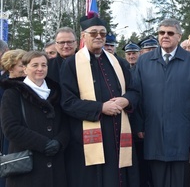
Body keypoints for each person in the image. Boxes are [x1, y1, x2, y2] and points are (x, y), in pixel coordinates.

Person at [60, 12, 139, 187]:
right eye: (93, 33)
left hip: (119, 134)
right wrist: (101, 108)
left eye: (102, 33)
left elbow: (134, 91)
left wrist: (126, 101)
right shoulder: (72, 64)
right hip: (87, 137)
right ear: (83, 36)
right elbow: (68, 102)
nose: (98, 37)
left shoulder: (118, 62)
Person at [132, 18, 190, 187]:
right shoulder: (144, 62)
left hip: (182, 131)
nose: (165, 36)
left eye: (170, 33)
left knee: (179, 178)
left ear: (179, 36)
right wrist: (138, 126)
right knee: (156, 178)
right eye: (161, 33)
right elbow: (136, 95)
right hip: (152, 131)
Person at [0, 51, 69, 187]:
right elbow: (11, 128)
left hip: (55, 165)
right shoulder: (13, 93)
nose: (40, 69)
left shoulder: (56, 92)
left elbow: (65, 124)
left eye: (44, 65)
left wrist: (59, 142)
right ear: (25, 68)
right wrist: (44, 144)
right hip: (26, 166)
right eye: (35, 65)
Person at [0, 49, 27, 187]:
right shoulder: (3, 87)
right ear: (11, 67)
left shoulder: (30, 85)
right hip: (8, 137)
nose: (25, 68)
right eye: (22, 65)